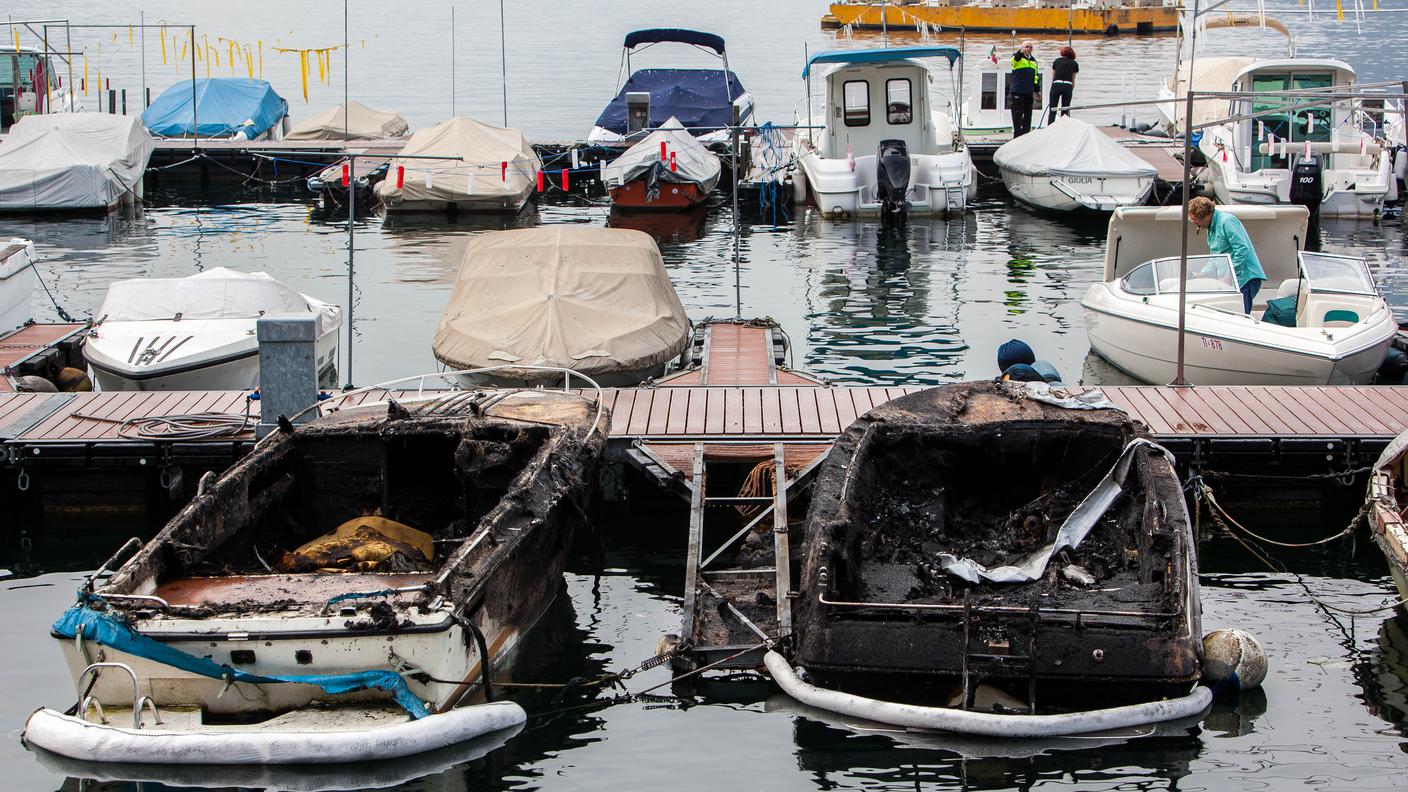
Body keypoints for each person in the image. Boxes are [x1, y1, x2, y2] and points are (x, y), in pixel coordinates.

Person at [1187, 196, 1266, 313]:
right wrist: (1202, 274)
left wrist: (1230, 273)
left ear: (1204, 215)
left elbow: (1242, 248)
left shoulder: (1226, 222)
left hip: (1244, 279)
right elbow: (1215, 258)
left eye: (1194, 219)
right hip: (1230, 282)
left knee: (1240, 317)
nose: (1194, 222)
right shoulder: (1210, 229)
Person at [1008, 42, 1040, 138]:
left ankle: (1026, 134)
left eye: (1030, 47)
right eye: (1026, 47)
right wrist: (1020, 52)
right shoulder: (1017, 57)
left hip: (1028, 92)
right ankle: (1017, 134)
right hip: (1018, 90)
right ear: (1022, 48)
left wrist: (1037, 90)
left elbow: (1035, 77)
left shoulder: (1034, 61)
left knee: (1028, 114)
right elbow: (1014, 61)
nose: (1028, 49)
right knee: (1017, 114)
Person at [1048, 46, 1078, 124]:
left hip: (1056, 84)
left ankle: (1050, 126)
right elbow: (1073, 80)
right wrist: (1070, 90)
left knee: (1052, 109)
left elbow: (1053, 76)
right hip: (1067, 85)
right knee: (1065, 109)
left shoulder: (1057, 61)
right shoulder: (1074, 63)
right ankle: (1064, 127)